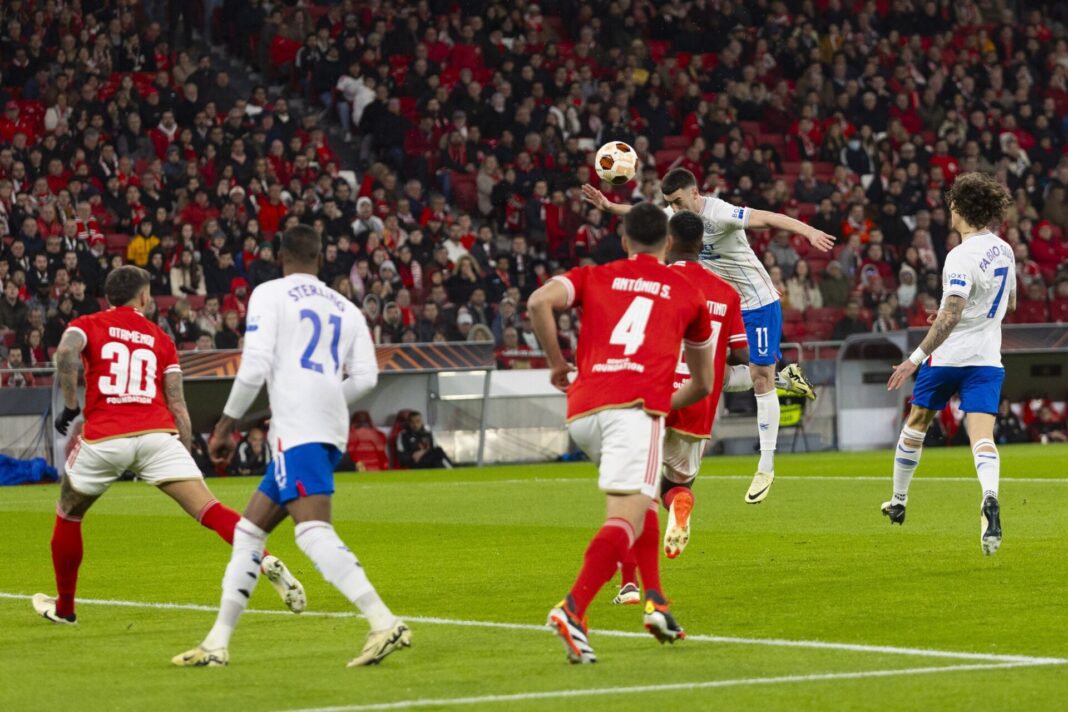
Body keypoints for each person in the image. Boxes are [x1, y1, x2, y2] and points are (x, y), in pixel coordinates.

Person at [173, 225, 409, 668]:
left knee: (312, 531)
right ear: (320, 258)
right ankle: (217, 644)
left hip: (297, 429)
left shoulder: (270, 294)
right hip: (322, 426)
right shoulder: (348, 308)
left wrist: (225, 425)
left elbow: (255, 364)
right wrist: (323, 397)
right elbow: (367, 378)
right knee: (247, 534)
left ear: (280, 256)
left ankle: (383, 621)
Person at [33, 266, 305, 625]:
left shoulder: (87, 323)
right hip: (158, 436)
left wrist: (70, 402)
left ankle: (65, 609)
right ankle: (265, 557)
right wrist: (184, 449)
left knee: (69, 513)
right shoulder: (161, 338)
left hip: (106, 437)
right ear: (144, 297)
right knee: (209, 508)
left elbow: (67, 353)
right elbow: (177, 404)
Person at [527, 203, 716, 664]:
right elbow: (704, 383)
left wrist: (556, 364)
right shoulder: (686, 291)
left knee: (643, 500)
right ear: (668, 243)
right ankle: (572, 609)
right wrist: (657, 403)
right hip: (634, 412)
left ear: (625, 239)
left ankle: (656, 601)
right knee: (625, 519)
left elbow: (537, 303)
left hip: (584, 410)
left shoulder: (595, 274)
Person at [583, 168, 832, 504]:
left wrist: (808, 230)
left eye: (678, 200)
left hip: (757, 302)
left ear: (695, 193)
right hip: (725, 303)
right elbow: (647, 215)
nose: (673, 208)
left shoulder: (720, 212)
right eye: (669, 202)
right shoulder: (676, 215)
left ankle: (766, 465)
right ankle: (786, 379)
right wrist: (611, 207)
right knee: (714, 374)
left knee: (760, 378)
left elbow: (769, 219)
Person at [613, 210, 749, 605]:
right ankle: (680, 502)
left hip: (649, 396)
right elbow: (741, 352)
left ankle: (629, 584)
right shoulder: (726, 292)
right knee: (676, 487)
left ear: (668, 242)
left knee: (632, 492)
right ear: (701, 245)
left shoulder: (654, 282)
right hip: (697, 403)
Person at [884, 173, 1016, 556]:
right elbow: (1009, 304)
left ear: (961, 208)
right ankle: (989, 497)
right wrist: (959, 314)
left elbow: (952, 316)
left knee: (917, 424)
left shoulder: (960, 255)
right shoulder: (1005, 250)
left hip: (948, 358)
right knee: (982, 438)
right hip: (988, 360)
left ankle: (898, 500)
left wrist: (913, 359)